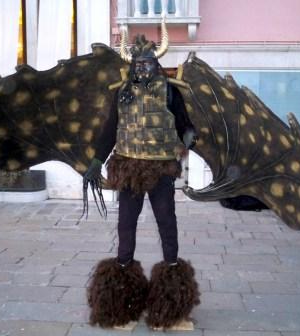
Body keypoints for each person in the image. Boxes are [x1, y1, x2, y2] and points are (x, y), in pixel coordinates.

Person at [85, 22, 200, 330]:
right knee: (126, 229)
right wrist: (96, 160)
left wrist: (188, 138)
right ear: (133, 65)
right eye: (139, 63)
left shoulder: (171, 92)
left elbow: (185, 125)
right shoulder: (121, 93)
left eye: (149, 63)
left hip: (161, 169)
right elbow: (110, 130)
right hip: (130, 169)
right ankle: (123, 306)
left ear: (156, 64)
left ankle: (172, 309)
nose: (144, 68)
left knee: (168, 228)